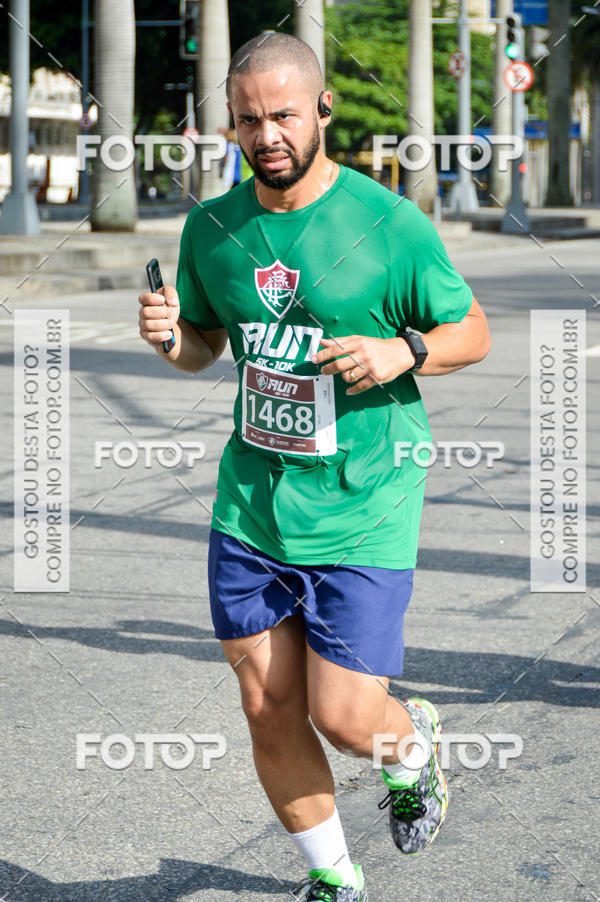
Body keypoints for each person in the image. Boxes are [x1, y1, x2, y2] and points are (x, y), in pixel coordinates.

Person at [139, 32, 491, 902]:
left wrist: (402, 351)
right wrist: (170, 338)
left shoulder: (388, 224)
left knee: (343, 718)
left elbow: (471, 331)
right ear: (232, 122)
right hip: (253, 505)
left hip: (365, 501)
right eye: (249, 120)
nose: (267, 136)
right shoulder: (213, 228)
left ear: (323, 109)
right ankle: (334, 876)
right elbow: (206, 345)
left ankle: (409, 745)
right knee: (267, 707)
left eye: (285, 116)